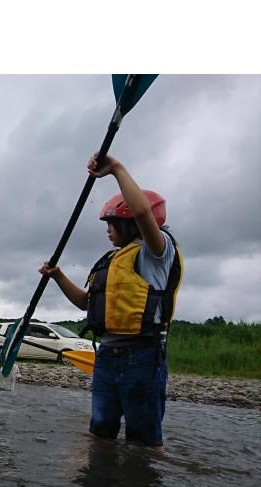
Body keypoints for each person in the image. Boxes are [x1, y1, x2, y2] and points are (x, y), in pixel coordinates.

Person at [39, 153, 183, 448]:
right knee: (100, 433)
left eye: (113, 222)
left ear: (130, 224)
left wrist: (116, 168)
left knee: (142, 441)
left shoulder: (155, 253)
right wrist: (58, 276)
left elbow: (143, 214)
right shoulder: (111, 260)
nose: (107, 229)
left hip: (142, 355)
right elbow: (84, 303)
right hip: (107, 355)